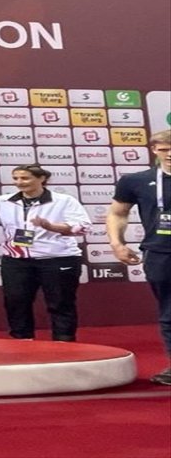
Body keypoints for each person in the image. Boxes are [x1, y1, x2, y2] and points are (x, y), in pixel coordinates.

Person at [0, 165, 91, 341]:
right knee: (15, 302)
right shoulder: (3, 201)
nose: (19, 182)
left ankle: (64, 342)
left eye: (25, 178)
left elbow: (83, 227)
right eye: (16, 178)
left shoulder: (64, 200)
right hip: (16, 260)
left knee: (60, 302)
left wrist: (51, 226)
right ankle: (22, 340)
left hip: (58, 259)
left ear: (42, 179)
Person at [108, 129, 171, 385]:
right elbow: (117, 213)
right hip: (160, 253)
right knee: (169, 310)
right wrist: (117, 243)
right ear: (154, 150)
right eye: (164, 149)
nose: (170, 154)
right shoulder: (135, 180)